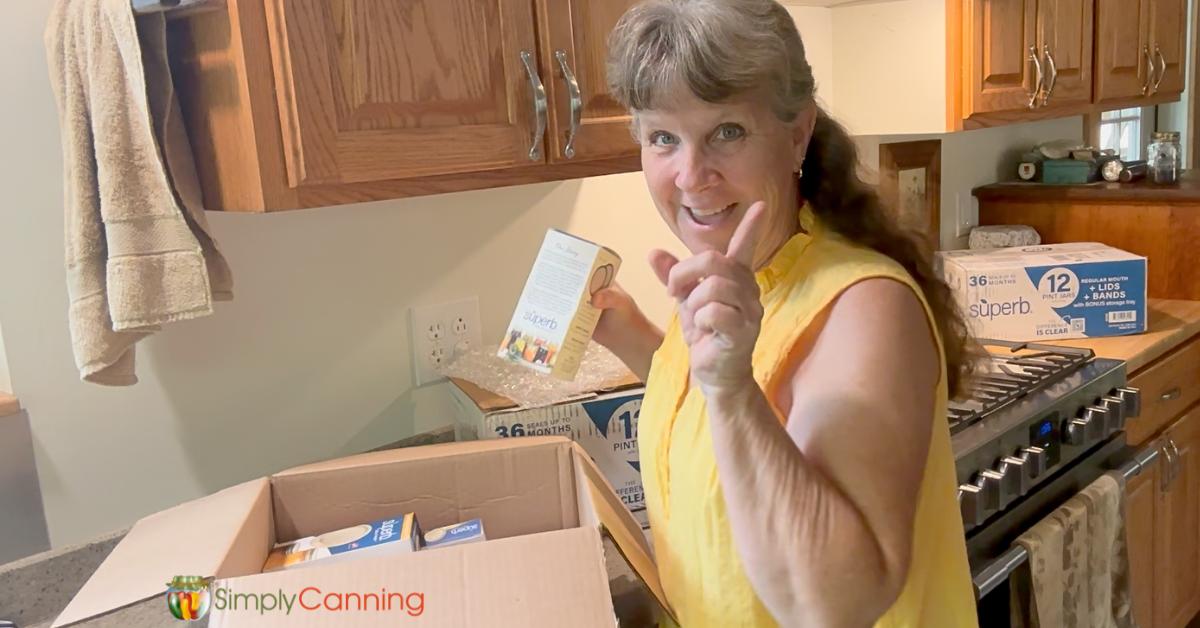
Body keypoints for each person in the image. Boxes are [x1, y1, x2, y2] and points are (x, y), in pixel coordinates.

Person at [590, 1, 979, 626]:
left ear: (797, 133)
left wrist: (729, 386)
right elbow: (753, 397)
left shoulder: (866, 306)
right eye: (663, 138)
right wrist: (632, 334)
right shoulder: (744, 283)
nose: (691, 176)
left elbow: (837, 604)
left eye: (727, 132)